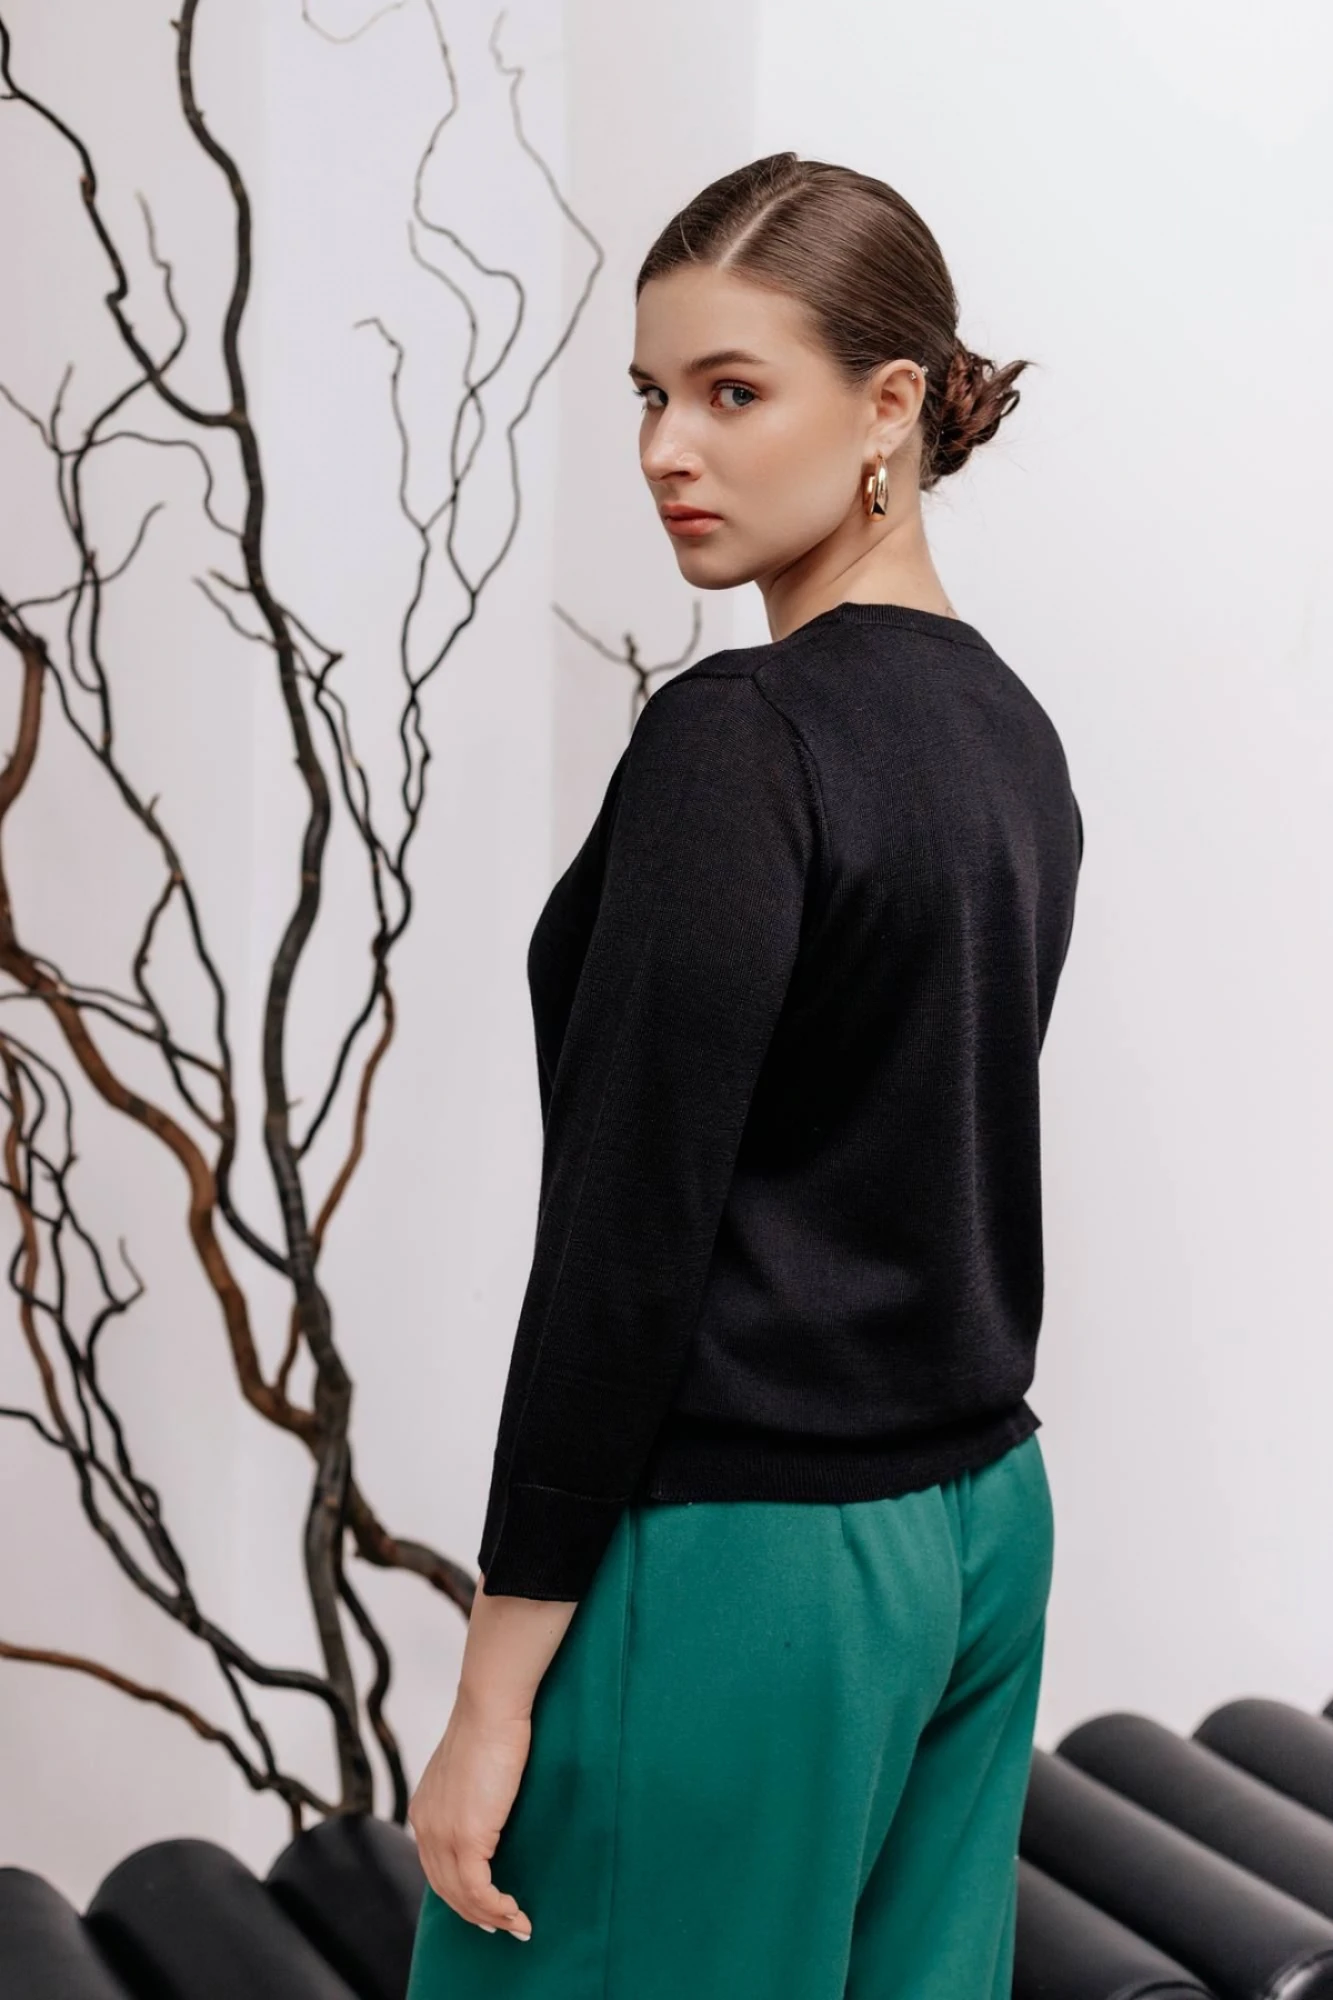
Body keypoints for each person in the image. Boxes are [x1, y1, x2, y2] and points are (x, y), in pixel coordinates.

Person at [404, 150, 1083, 1999]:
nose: (666, 450)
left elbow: (628, 1234)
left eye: (730, 391)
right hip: (979, 1534)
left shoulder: (742, 738)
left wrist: (492, 1690)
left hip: (750, 1569)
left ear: (888, 407)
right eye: (650, 394)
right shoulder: (1011, 735)